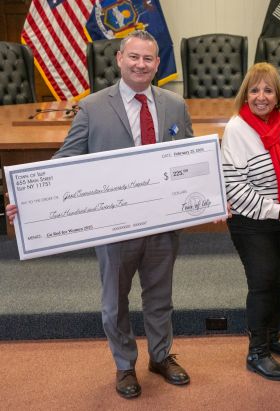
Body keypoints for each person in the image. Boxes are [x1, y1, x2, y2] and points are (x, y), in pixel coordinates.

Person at [6, 30, 194, 398]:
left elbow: (189, 158)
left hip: (162, 221)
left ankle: (160, 356)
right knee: (114, 302)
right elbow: (65, 161)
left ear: (158, 64)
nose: (141, 64)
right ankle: (125, 366)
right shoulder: (92, 107)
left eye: (149, 59)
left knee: (160, 297)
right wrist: (28, 199)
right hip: (114, 226)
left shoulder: (175, 105)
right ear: (120, 59)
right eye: (134, 57)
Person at [221, 62, 280, 381]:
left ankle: (272, 337)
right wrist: (278, 211)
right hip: (251, 219)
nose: (261, 96)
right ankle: (257, 351)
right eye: (255, 89)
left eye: (268, 90)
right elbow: (236, 188)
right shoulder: (236, 129)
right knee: (264, 277)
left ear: (277, 96)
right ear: (246, 93)